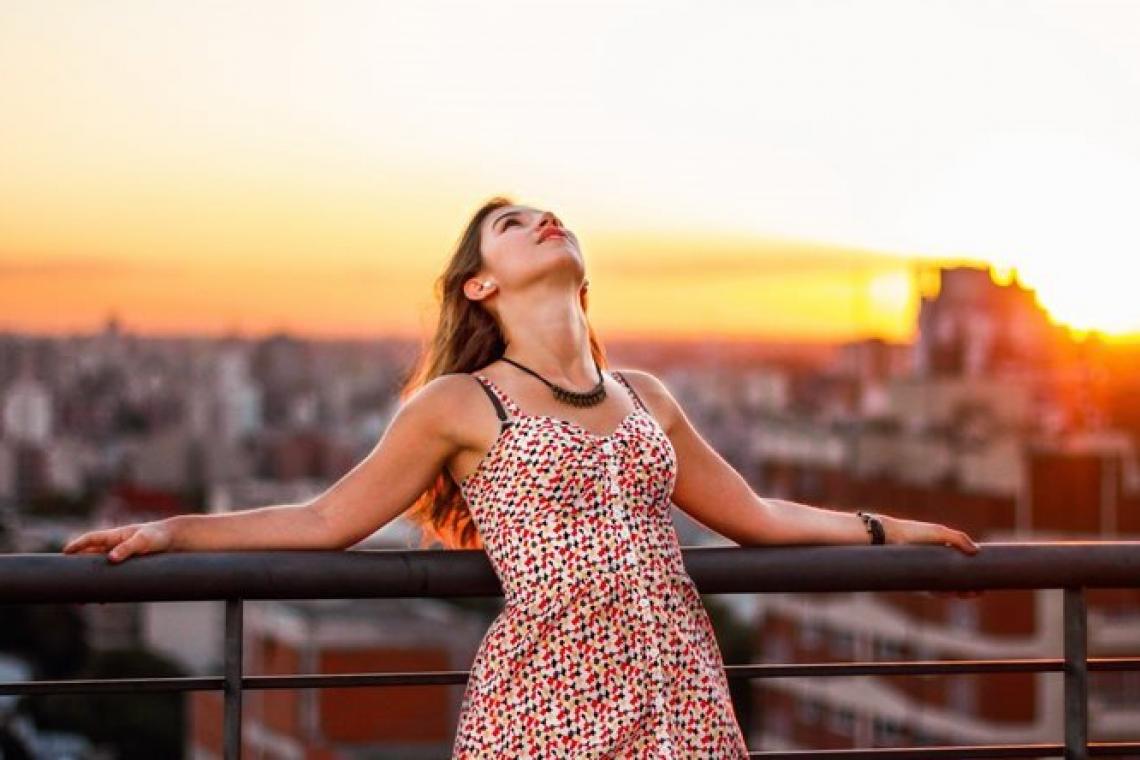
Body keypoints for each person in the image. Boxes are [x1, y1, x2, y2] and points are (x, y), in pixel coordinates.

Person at [63, 196, 981, 758]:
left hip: (681, 691)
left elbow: (753, 515)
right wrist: (175, 533)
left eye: (552, 214)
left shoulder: (645, 395)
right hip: (549, 695)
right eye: (512, 225)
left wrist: (885, 529)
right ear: (480, 286)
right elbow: (327, 517)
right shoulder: (458, 404)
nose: (547, 220)